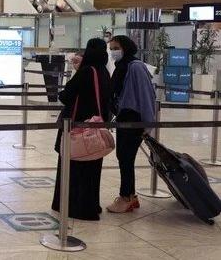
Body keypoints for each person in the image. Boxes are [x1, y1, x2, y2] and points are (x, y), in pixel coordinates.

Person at [51, 38, 111, 221]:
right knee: (92, 166)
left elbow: (66, 96)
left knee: (74, 165)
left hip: (77, 127)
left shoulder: (86, 71)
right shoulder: (104, 73)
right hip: (97, 127)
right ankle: (90, 205)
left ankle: (73, 206)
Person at [106, 35, 156, 213]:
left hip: (133, 120)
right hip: (124, 118)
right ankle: (130, 196)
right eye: (111, 48)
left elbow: (146, 95)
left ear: (125, 48)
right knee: (124, 158)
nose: (113, 52)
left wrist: (147, 124)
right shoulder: (122, 66)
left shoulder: (135, 67)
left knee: (126, 158)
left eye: (116, 48)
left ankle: (126, 197)